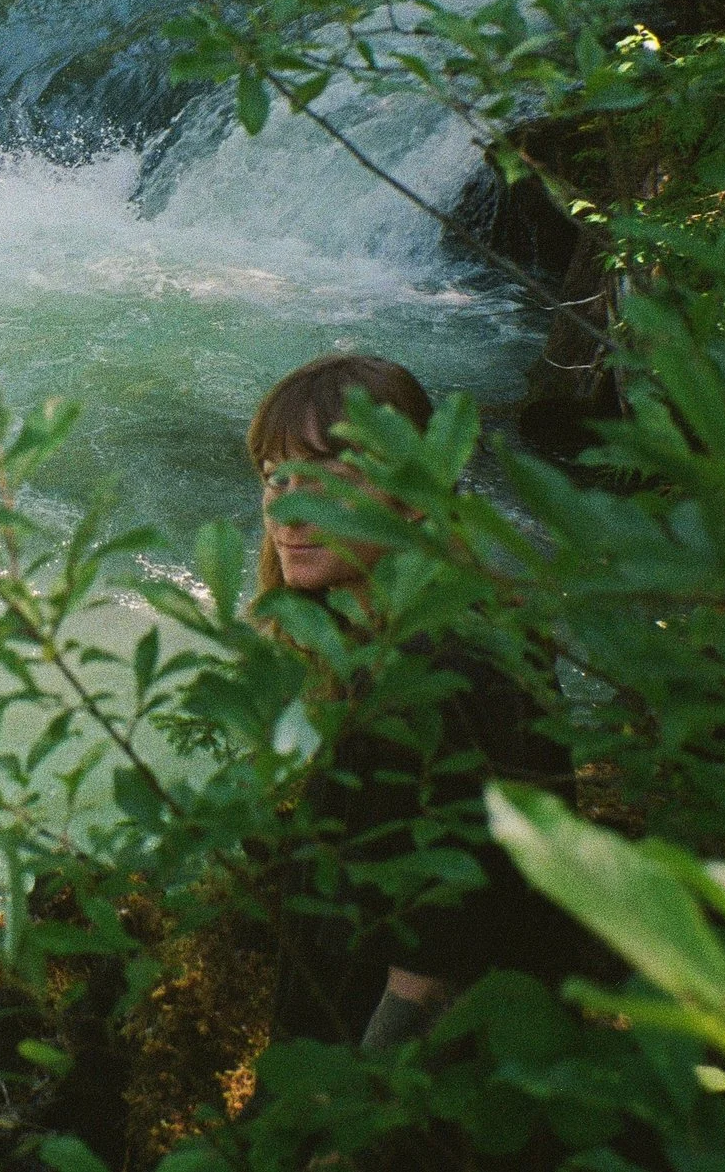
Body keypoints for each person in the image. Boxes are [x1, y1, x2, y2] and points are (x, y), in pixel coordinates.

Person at [248, 354, 582, 1051]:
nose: (288, 504)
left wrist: (347, 1131)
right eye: (273, 475)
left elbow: (433, 968)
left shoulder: (436, 668)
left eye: (327, 478)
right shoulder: (413, 635)